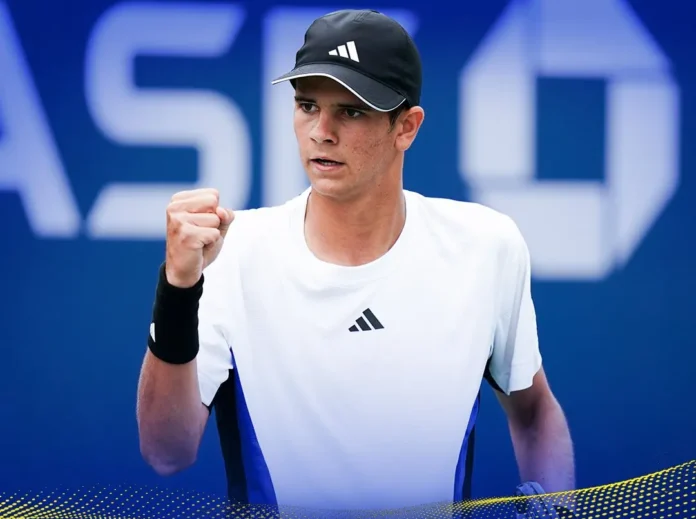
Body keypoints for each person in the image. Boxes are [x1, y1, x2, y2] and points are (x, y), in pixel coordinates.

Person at [136, 8, 575, 514]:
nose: (321, 130)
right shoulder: (231, 253)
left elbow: (535, 410)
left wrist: (558, 508)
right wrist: (178, 288)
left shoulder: (486, 246)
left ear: (406, 127)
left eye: (352, 111)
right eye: (306, 105)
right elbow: (166, 453)